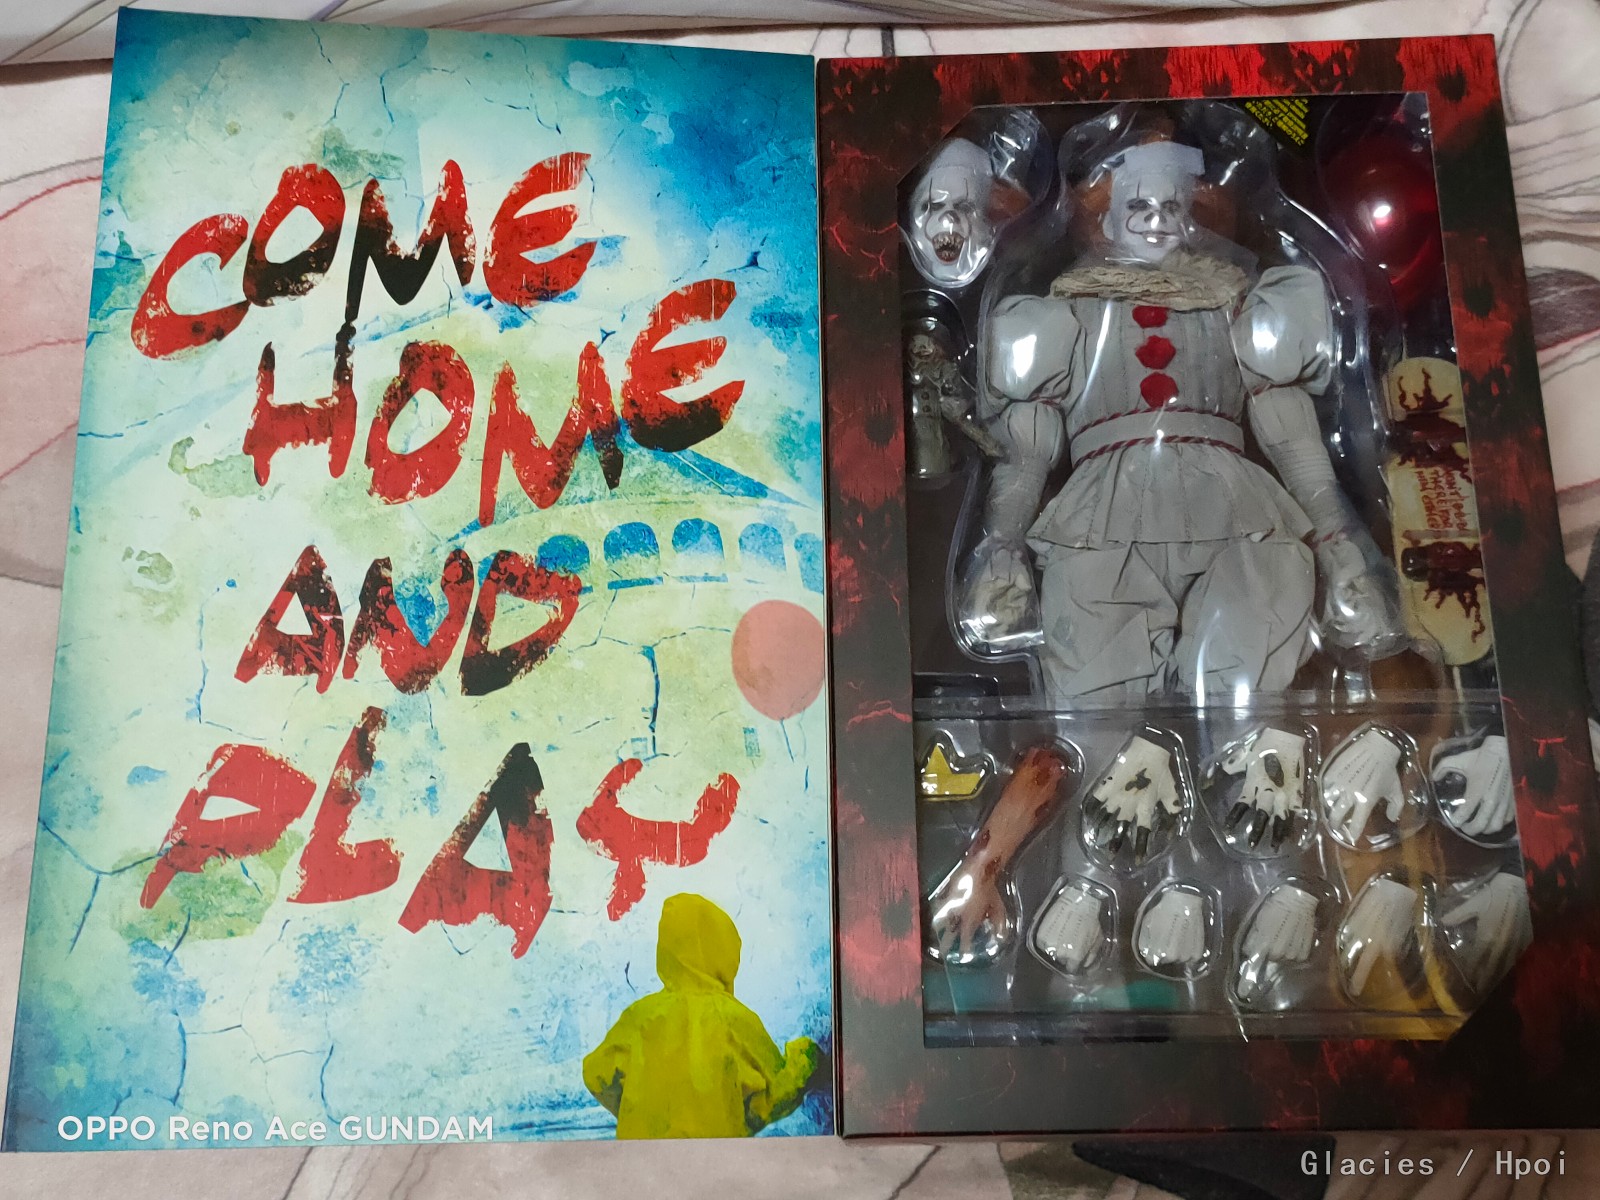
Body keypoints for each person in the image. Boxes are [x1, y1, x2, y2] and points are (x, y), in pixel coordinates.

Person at [962, 132, 1398, 703]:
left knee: (1255, 635)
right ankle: (1110, 751)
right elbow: (1028, 449)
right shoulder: (1068, 312)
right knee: (1096, 670)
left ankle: (1245, 747)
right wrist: (1001, 541)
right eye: (1139, 206)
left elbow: (1291, 433)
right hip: (1104, 516)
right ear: (1107, 221)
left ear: (1190, 217)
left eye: (1171, 207)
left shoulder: (1233, 303)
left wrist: (1339, 538)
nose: (1156, 220)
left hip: (1234, 509)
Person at [582, 892, 819, 1138]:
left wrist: (639, 1110)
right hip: (714, 1156)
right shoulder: (734, 1019)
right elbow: (774, 1094)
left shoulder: (640, 1016)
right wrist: (805, 1059)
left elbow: (596, 1076)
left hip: (643, 1156)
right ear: (723, 952)